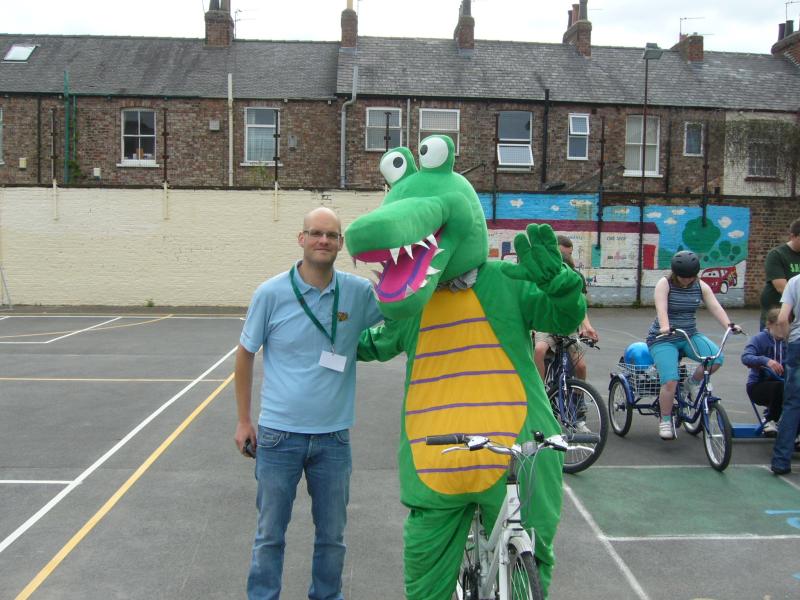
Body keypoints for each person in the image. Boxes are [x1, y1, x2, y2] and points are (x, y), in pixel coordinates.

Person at [234, 207, 382, 600]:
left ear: (341, 244)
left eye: (331, 235)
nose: (323, 241)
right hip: (279, 436)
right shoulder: (271, 294)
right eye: (316, 233)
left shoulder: (358, 293)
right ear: (301, 239)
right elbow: (245, 354)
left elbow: (401, 310)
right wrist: (244, 421)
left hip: (333, 439)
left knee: (332, 538)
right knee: (270, 535)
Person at [645, 250, 741, 440]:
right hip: (663, 338)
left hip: (689, 334)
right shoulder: (665, 284)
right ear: (675, 272)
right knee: (670, 380)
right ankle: (665, 419)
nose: (687, 280)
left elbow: (714, 306)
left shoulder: (700, 285)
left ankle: (692, 382)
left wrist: (729, 325)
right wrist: (665, 326)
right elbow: (661, 308)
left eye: (690, 277)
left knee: (716, 358)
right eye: (683, 277)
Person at [533, 235, 599, 383]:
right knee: (539, 351)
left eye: (569, 254)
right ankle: (540, 391)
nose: (567, 257)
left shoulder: (576, 277)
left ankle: (578, 398)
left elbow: (580, 306)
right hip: (546, 325)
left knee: (580, 366)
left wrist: (587, 327)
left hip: (567, 327)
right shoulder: (543, 275)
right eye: (564, 253)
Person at [741, 307, 787, 436]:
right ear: (769, 324)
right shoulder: (760, 339)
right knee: (780, 387)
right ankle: (771, 420)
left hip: (785, 383)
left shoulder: (789, 340)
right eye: (778, 325)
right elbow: (745, 357)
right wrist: (766, 361)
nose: (782, 328)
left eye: (785, 324)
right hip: (758, 386)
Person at [772, 274, 800, 475]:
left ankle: (781, 461)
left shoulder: (795, 282)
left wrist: (788, 338)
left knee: (792, 404)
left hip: (797, 344)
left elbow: (782, 318)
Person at [759, 218, 800, 329]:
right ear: (793, 236)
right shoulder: (777, 254)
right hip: (776, 315)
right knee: (772, 346)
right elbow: (781, 287)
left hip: (796, 318)